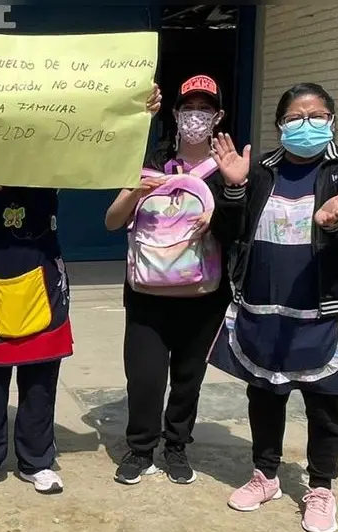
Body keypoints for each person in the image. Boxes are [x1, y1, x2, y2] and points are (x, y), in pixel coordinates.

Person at [0, 83, 162, 500]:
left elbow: (107, 151)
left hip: (41, 280)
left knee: (40, 380)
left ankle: (36, 460)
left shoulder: (54, 154)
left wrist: (140, 117)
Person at [208, 82, 338, 532]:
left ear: (331, 120)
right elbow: (228, 232)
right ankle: (265, 474)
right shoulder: (262, 169)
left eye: (317, 115)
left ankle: (321, 486)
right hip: (265, 303)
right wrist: (232, 189)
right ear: (279, 124)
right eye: (295, 118)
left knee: (326, 404)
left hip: (326, 309)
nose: (306, 124)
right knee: (265, 394)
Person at [104, 75, 247, 486]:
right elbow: (112, 221)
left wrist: (223, 206)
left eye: (205, 109)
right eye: (189, 109)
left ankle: (177, 446)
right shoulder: (148, 159)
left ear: (218, 115)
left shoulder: (227, 167)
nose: (196, 117)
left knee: (188, 378)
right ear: (175, 113)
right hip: (147, 294)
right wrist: (135, 191)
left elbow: (239, 230)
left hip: (203, 295)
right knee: (145, 376)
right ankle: (140, 448)